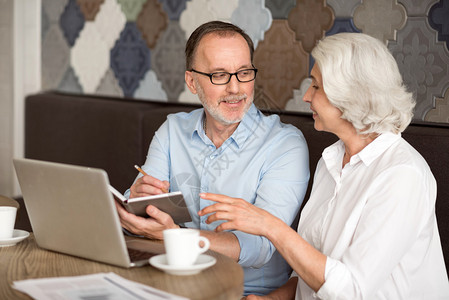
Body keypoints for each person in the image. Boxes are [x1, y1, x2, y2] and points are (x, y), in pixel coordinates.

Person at [198, 32, 449, 299]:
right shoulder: (331, 160)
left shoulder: (401, 175)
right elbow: (310, 272)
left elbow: (350, 290)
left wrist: (269, 225)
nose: (306, 96)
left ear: (350, 94)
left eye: (316, 86)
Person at [115, 21, 310, 296]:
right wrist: (135, 202)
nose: (235, 88)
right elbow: (140, 217)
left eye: (244, 72)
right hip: (172, 284)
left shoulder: (284, 145)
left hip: (243, 293)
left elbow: (260, 248)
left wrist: (174, 237)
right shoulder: (172, 131)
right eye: (219, 75)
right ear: (192, 82)